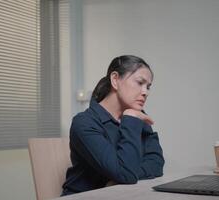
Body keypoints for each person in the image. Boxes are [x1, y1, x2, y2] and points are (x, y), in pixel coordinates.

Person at [61, 55, 165, 196]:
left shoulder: (135, 116)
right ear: (115, 80)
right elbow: (125, 174)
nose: (145, 92)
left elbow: (156, 163)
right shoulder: (84, 123)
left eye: (148, 86)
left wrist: (123, 176)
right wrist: (124, 175)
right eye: (140, 83)